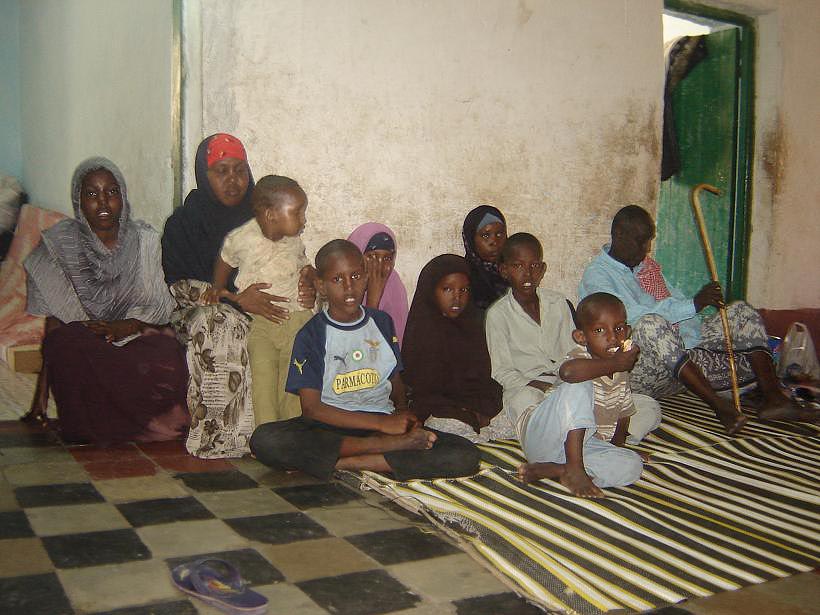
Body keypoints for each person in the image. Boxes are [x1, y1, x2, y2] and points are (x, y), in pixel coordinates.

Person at [249, 240, 481, 481]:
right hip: (331, 426)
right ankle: (382, 451)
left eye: (356, 276)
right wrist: (383, 427)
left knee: (465, 454)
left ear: (367, 277)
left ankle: (346, 462)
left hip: (381, 422)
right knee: (265, 439)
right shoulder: (312, 334)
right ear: (321, 286)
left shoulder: (381, 323)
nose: (349, 287)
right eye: (337, 280)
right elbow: (312, 409)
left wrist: (403, 415)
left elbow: (395, 380)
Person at [578, 205, 808, 435]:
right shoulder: (598, 275)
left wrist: (708, 330)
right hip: (637, 368)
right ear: (619, 235)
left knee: (741, 313)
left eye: (648, 241)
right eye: (641, 241)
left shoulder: (645, 269)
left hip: (681, 360)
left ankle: (774, 397)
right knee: (650, 324)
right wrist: (694, 304)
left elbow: (679, 307)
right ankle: (719, 406)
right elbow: (631, 320)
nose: (646, 248)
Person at [161, 133, 315, 458]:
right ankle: (228, 438)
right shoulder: (183, 223)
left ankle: (294, 433)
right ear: (205, 176)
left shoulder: (265, 217)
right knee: (221, 323)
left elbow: (294, 263)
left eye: (240, 170)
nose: (233, 181)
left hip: (271, 313)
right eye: (222, 171)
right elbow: (181, 286)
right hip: (206, 311)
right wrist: (234, 299)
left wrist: (307, 283)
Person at [23, 157, 188, 446]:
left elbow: (161, 306)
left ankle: (143, 424)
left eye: (111, 192)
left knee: (169, 352)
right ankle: (98, 427)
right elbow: (55, 319)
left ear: (122, 196)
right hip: (86, 338)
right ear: (78, 200)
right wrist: (40, 399)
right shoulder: (57, 245)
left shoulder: (146, 241)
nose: (103, 202)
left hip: (136, 335)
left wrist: (131, 325)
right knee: (65, 345)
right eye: (91, 194)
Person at [210, 175, 313, 426]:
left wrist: (311, 276)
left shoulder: (294, 241)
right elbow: (225, 259)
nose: (303, 219)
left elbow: (304, 266)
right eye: (297, 212)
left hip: (296, 321)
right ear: (271, 215)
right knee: (263, 381)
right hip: (261, 323)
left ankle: (293, 433)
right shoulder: (242, 238)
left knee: (293, 382)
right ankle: (267, 436)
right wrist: (218, 288)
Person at [402, 254, 510, 442]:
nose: (457, 298)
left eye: (464, 290)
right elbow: (423, 392)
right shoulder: (422, 331)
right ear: (431, 291)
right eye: (447, 289)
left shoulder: (474, 325)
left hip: (475, 405)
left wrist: (483, 409)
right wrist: (465, 412)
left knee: (514, 416)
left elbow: (485, 380)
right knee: (451, 427)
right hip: (441, 410)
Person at [485, 233, 576, 439]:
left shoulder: (558, 303)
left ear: (542, 269)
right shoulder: (498, 315)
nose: (528, 274)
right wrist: (539, 385)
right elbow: (502, 371)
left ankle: (567, 429)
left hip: (564, 383)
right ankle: (567, 433)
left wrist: (563, 384)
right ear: (505, 271)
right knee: (526, 401)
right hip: (527, 389)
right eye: (518, 266)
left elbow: (574, 353)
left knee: (645, 407)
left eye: (534, 266)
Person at [558, 292, 661, 445]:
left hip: (603, 430)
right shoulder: (580, 358)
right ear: (581, 337)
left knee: (651, 408)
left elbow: (623, 414)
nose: (612, 338)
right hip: (569, 436)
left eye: (618, 328)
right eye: (600, 330)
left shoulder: (620, 364)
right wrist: (616, 364)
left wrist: (617, 448)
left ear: (627, 332)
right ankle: (591, 452)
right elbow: (567, 372)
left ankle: (608, 449)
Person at [347, 223, 408, 346]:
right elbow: (353, 345)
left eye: (387, 258)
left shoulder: (394, 287)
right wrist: (373, 300)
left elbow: (396, 344)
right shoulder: (343, 284)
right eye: (371, 256)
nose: (379, 266)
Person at [462, 205, 509, 310]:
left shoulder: (515, 271)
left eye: (499, 234)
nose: (494, 242)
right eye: (485, 235)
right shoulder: (463, 277)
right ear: (471, 240)